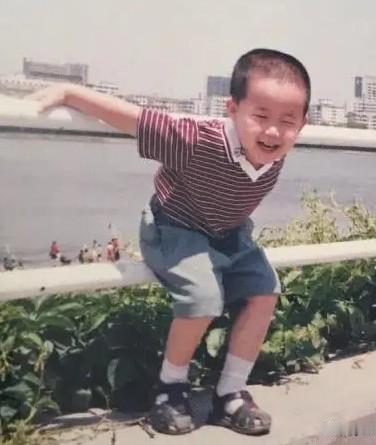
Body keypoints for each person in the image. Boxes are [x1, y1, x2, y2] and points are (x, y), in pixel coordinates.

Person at [28, 48, 310, 436]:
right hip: (173, 227)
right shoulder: (195, 140)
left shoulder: (276, 150)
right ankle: (170, 388)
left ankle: (230, 394)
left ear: (302, 124)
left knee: (266, 291)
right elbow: (135, 119)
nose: (273, 132)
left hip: (229, 233)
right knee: (203, 297)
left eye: (287, 121)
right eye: (260, 116)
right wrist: (69, 93)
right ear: (232, 109)